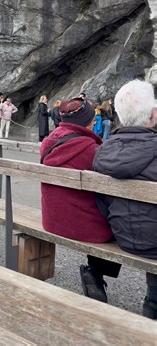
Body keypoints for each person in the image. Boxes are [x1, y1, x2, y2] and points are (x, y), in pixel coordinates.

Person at [92, 80, 157, 319]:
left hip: (122, 236)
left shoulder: (102, 152)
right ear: (153, 115)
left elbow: (101, 203)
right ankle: (153, 301)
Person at [40, 97, 112, 246]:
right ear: (85, 122)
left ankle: (95, 270)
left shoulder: (47, 143)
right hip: (84, 226)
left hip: (51, 220)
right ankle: (98, 270)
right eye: (92, 120)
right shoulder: (91, 149)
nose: (93, 123)